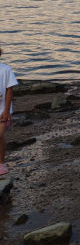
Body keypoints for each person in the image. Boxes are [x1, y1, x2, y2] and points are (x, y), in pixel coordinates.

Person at [0, 44, 18, 176]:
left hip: (2, 112)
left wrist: (6, 111)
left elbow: (9, 90)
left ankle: (1, 163)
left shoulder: (5, 69)